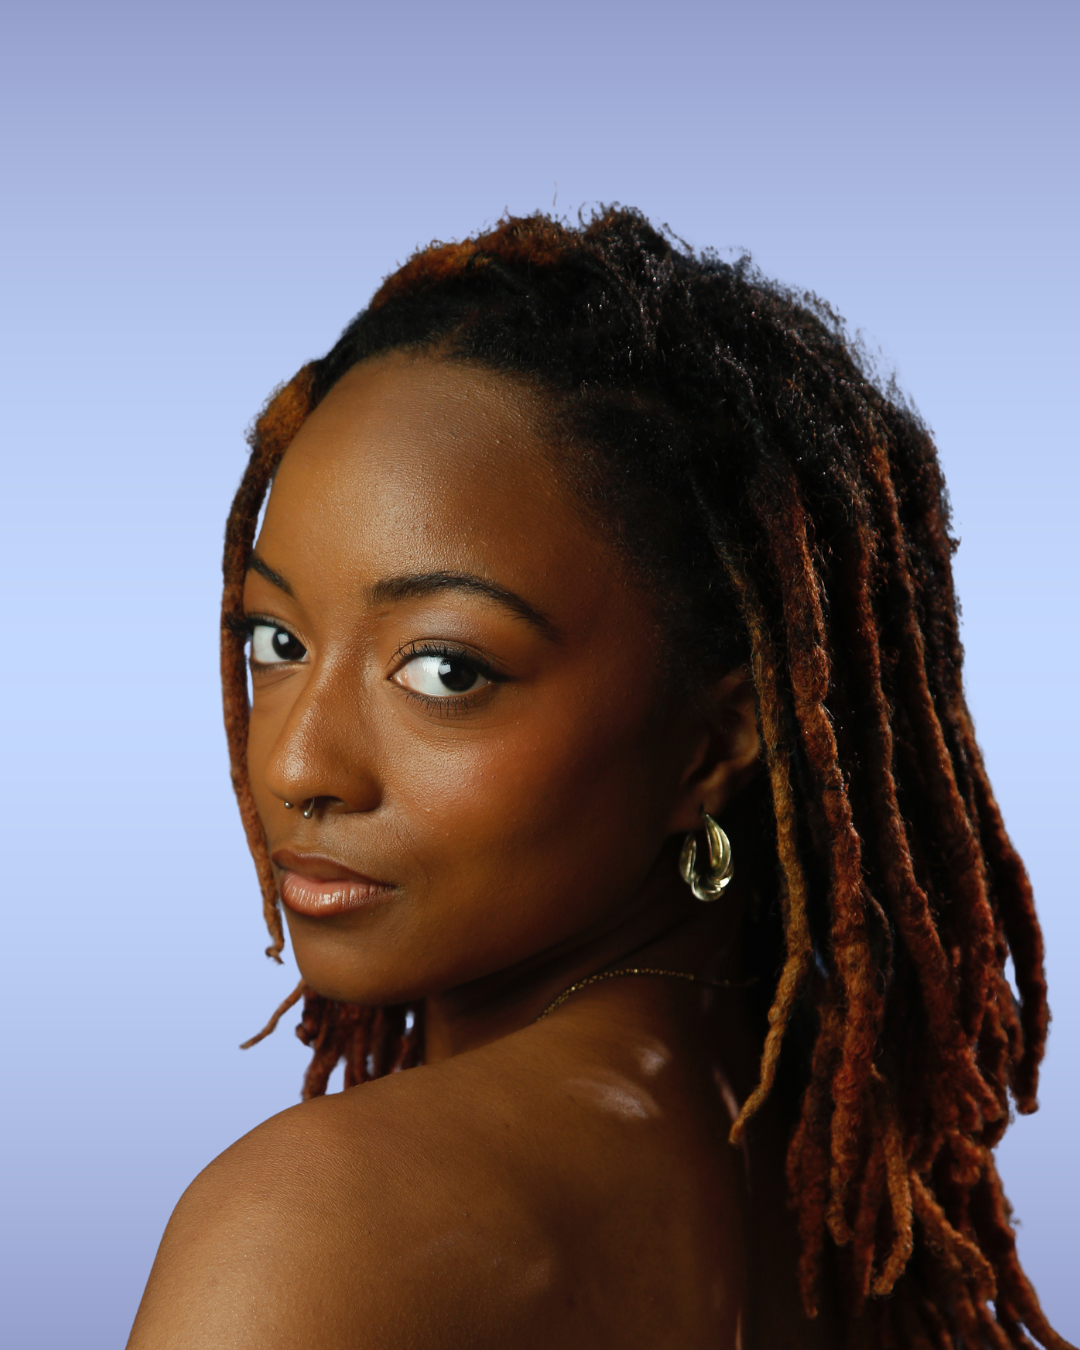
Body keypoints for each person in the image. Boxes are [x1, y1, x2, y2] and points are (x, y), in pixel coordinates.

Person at [127, 210, 1071, 1349]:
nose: (295, 765)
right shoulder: (847, 1196)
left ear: (717, 740)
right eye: (274, 643)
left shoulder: (317, 1222)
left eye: (443, 669)